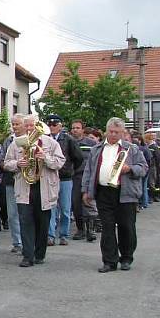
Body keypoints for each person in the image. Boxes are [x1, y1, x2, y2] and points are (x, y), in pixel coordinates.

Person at [81, 117, 147, 272]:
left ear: (123, 133)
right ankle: (109, 261)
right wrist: (86, 191)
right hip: (104, 192)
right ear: (106, 131)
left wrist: (129, 169)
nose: (113, 134)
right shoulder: (97, 149)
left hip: (125, 193)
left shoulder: (132, 148)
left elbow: (143, 168)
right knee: (107, 227)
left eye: (117, 132)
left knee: (126, 227)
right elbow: (88, 171)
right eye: (111, 131)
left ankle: (126, 258)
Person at [2, 114, 65, 267]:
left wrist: (46, 158)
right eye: (27, 126)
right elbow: (6, 163)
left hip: (44, 188)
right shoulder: (17, 144)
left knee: (43, 223)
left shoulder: (50, 143)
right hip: (25, 188)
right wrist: (18, 163)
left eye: (32, 126)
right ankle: (27, 256)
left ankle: (39, 253)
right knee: (25, 221)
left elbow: (60, 162)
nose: (30, 128)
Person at [45, 115, 83, 246]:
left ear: (60, 126)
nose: (51, 127)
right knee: (51, 207)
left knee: (65, 209)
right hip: (49, 177)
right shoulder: (45, 139)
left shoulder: (68, 139)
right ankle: (50, 235)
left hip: (65, 178)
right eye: (49, 124)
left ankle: (64, 234)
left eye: (54, 124)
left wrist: (70, 170)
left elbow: (78, 157)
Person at [1, 114, 25, 254]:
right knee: (12, 214)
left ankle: (27, 240)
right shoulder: (8, 141)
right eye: (13, 124)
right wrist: (15, 164)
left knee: (25, 213)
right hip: (11, 181)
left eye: (17, 124)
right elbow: (2, 160)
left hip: (27, 182)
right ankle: (17, 242)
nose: (15, 127)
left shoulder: (30, 139)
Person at [71, 119, 98, 240]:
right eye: (73, 128)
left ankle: (91, 230)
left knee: (89, 201)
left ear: (83, 129)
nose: (75, 130)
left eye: (77, 128)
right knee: (76, 203)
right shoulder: (69, 142)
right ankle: (80, 229)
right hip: (75, 176)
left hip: (88, 176)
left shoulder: (91, 143)